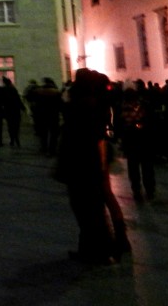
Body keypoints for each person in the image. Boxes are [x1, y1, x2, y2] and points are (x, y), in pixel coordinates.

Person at [57, 68, 129, 264]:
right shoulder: (95, 101)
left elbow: (77, 131)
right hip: (91, 159)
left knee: (87, 206)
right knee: (94, 204)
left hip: (83, 161)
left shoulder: (83, 103)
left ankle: (100, 249)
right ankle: (98, 247)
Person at [118, 84, 156, 202]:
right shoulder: (142, 105)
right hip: (143, 139)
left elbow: (120, 124)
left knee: (133, 167)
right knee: (146, 166)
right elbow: (149, 120)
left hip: (130, 140)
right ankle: (149, 189)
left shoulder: (122, 107)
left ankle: (137, 189)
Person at [2, 77, 25, 147]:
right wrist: (22, 107)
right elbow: (18, 99)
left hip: (8, 110)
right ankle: (16, 138)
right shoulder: (13, 89)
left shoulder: (3, 90)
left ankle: (12, 139)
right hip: (15, 110)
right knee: (16, 125)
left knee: (10, 125)